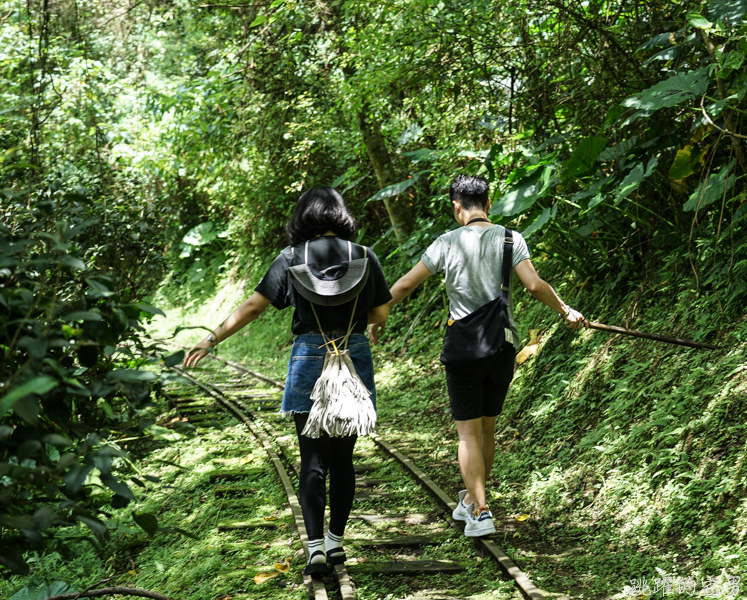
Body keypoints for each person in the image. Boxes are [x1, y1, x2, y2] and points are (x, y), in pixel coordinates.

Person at [184, 186, 391, 574]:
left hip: (310, 356)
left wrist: (210, 338)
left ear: (304, 216)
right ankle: (335, 544)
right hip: (352, 355)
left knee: (311, 458)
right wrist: (371, 324)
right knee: (343, 461)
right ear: (340, 216)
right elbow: (380, 312)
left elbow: (254, 305)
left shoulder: (292, 258)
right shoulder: (365, 256)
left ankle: (314, 549)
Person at [368, 174, 586, 537]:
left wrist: (378, 316)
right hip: (501, 347)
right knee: (487, 429)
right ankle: (472, 501)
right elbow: (533, 285)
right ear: (488, 203)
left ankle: (481, 512)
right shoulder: (510, 238)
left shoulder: (446, 242)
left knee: (467, 434)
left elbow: (406, 284)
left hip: (463, 349)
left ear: (457, 207)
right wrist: (565, 310)